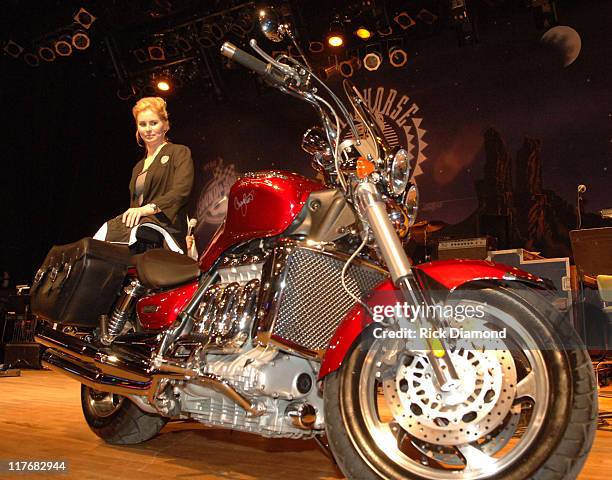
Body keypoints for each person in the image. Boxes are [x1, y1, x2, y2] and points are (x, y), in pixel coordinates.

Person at [94, 97, 194, 251]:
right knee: (103, 239)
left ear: (165, 125)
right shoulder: (138, 167)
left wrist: (146, 210)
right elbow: (135, 206)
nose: (148, 129)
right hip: (141, 231)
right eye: (143, 124)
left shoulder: (178, 152)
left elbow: (181, 191)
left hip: (167, 229)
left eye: (153, 123)